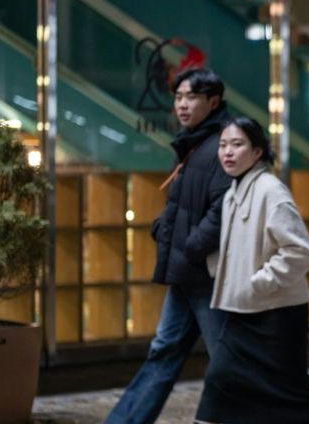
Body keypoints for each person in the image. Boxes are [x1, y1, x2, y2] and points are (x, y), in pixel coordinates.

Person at [106, 68, 232, 424]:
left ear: (213, 101)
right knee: (164, 352)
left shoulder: (223, 141)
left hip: (209, 276)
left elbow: (223, 207)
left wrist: (190, 246)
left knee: (228, 360)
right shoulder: (194, 141)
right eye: (178, 97)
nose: (182, 104)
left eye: (190, 97)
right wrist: (165, 230)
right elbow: (182, 204)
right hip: (187, 274)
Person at [194, 117, 309, 424]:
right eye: (223, 145)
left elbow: (298, 251)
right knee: (220, 381)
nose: (227, 152)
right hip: (242, 311)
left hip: (276, 315)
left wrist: (257, 283)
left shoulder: (271, 191)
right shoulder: (234, 191)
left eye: (237, 144)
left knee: (290, 391)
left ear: (257, 152)